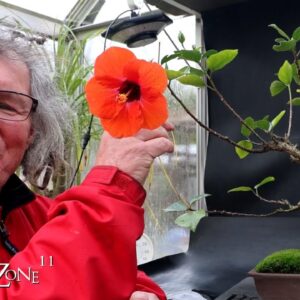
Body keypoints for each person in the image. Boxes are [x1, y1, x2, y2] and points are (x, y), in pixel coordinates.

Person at [0, 31, 174, 299]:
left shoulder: (45, 217)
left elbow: (131, 278)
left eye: (5, 105)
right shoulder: (74, 219)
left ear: (32, 131)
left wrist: (143, 293)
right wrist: (109, 189)